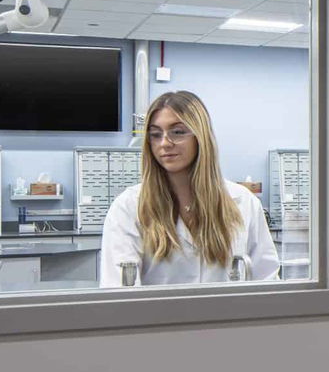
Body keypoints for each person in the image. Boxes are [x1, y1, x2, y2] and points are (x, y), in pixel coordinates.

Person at [99, 90, 279, 287]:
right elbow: (117, 291)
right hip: (156, 318)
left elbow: (267, 281)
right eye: (155, 134)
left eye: (178, 132)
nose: (165, 143)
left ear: (200, 137)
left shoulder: (243, 202)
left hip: (228, 317)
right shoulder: (129, 206)